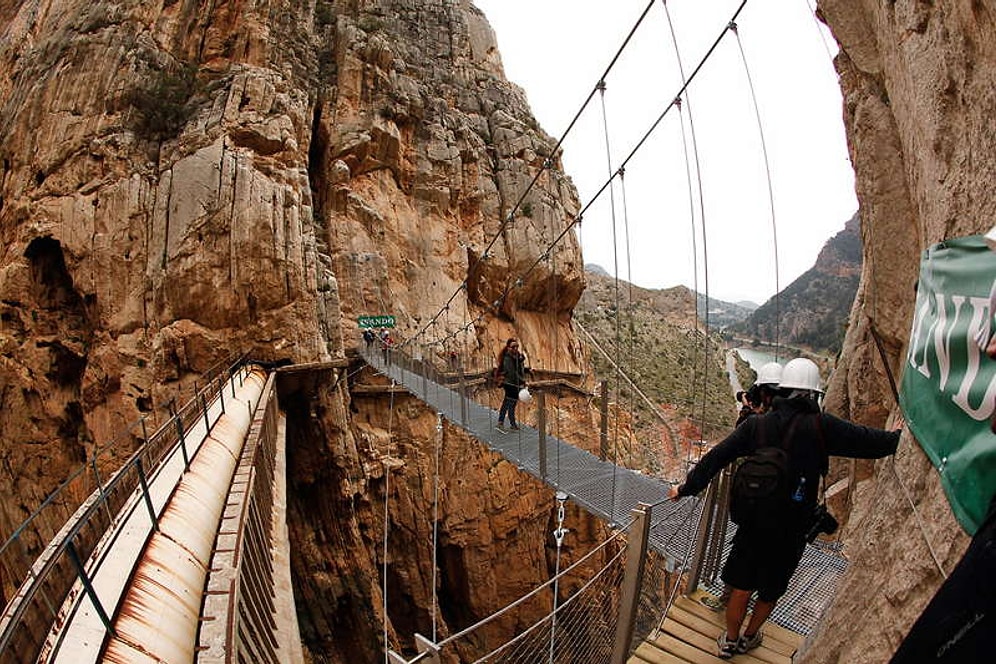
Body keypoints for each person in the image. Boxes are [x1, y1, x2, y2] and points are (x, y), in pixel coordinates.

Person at [668, 357, 901, 659]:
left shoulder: (757, 425)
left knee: (742, 584)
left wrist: (685, 489)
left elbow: (716, 458)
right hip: (792, 527)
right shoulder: (822, 426)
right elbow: (869, 443)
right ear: (814, 394)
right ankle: (749, 637)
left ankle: (729, 640)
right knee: (771, 588)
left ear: (780, 392)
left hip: (753, 522)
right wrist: (895, 437)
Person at [496, 338, 527, 431]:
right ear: (508, 347)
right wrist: (522, 382)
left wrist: (527, 370)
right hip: (510, 384)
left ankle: (501, 422)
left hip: (513, 383)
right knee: (511, 404)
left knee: (507, 402)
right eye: (513, 347)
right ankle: (512, 424)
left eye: (517, 346)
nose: (515, 348)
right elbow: (512, 373)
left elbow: (518, 369)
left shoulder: (516, 357)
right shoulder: (507, 358)